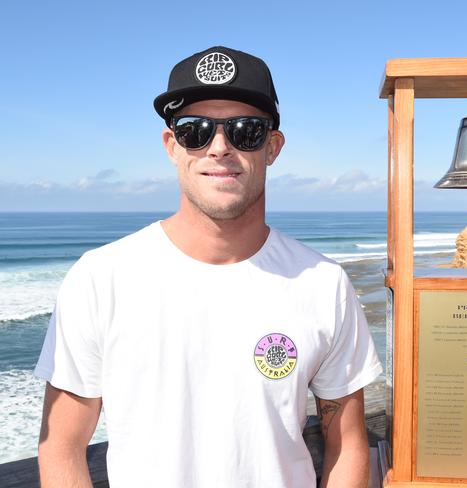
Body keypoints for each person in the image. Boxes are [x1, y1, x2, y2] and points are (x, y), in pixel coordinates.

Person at [34, 46, 382, 487]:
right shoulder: (101, 279)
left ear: (272, 147)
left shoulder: (322, 283)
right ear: (171, 146)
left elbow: (347, 445)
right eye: (194, 130)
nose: (219, 148)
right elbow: (61, 447)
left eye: (246, 130)